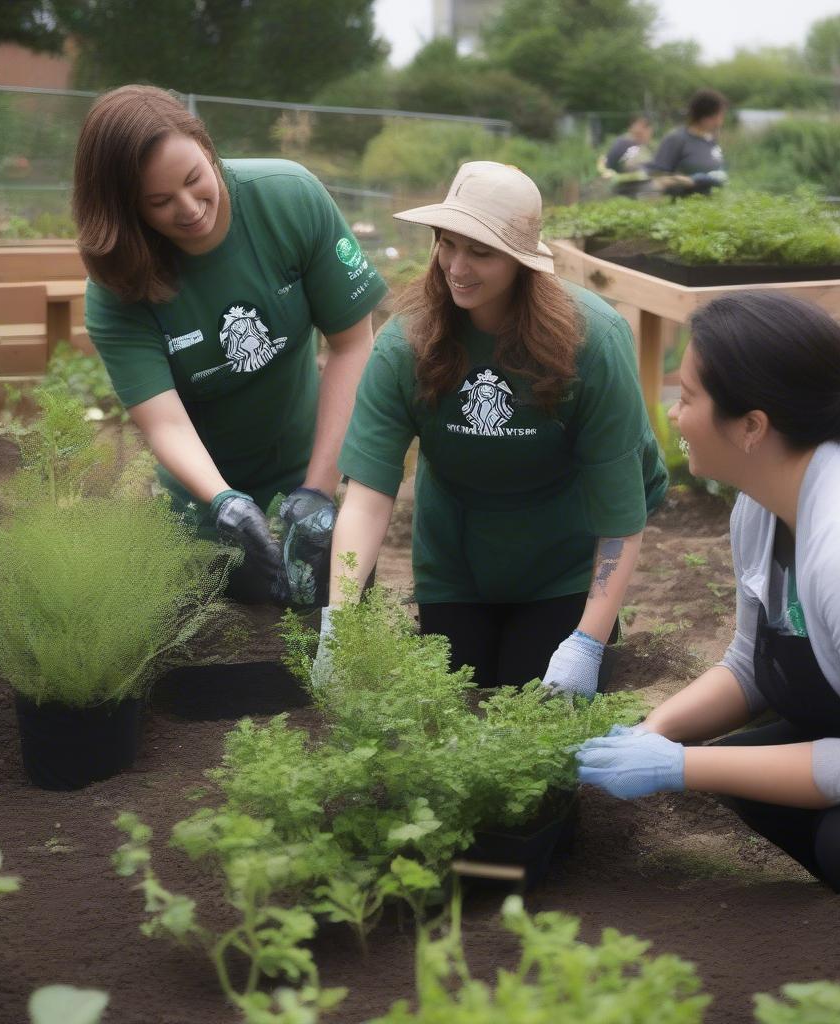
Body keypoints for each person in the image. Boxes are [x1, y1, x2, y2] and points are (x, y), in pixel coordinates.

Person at [576, 291, 840, 980]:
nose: (675, 414)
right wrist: (655, 733)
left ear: (752, 425)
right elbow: (753, 666)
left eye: (689, 396)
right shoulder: (764, 506)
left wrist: (683, 768)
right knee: (756, 776)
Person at [316, 161, 667, 695]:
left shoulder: (593, 341)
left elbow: (621, 514)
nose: (457, 266)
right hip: (455, 560)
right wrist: (338, 619)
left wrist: (587, 642)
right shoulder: (405, 344)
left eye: (481, 251)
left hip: (565, 559)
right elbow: (367, 494)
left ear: (522, 260)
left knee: (540, 723)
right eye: (446, 243)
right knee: (456, 714)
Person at [74, 86, 387, 605]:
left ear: (205, 146)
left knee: (336, 606)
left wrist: (318, 491)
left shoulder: (288, 198)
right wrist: (223, 502)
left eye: (196, 179)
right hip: (205, 500)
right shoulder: (117, 286)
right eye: (159, 201)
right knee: (227, 633)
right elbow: (163, 420)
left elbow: (353, 345)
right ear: (126, 208)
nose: (190, 208)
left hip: (307, 464)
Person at [647, 89, 729, 195]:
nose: (720, 122)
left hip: (710, 206)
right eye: (720, 116)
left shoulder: (710, 140)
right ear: (705, 117)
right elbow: (655, 178)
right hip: (681, 207)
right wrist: (690, 181)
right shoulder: (676, 139)